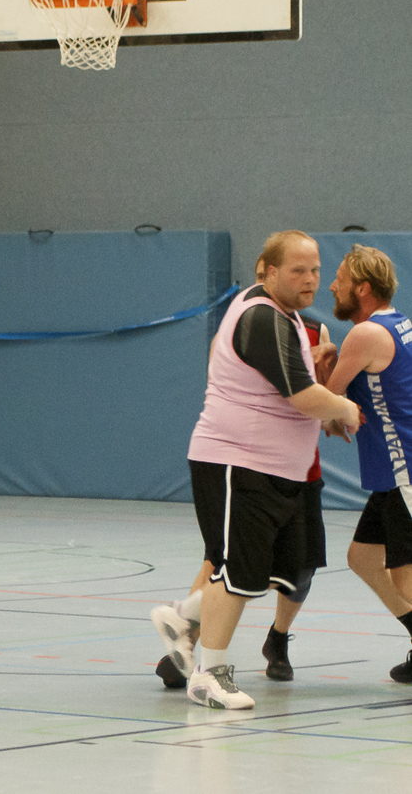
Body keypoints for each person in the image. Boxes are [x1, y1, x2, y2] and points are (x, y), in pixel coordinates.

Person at [150, 230, 360, 710]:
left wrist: (316, 363)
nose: (310, 281)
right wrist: (344, 409)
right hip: (235, 463)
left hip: (275, 470)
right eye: (297, 271)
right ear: (267, 270)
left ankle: (183, 619)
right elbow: (300, 396)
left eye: (315, 271)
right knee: (235, 572)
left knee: (260, 573)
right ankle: (210, 674)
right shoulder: (262, 316)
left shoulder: (281, 316)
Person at [321, 243, 412, 683]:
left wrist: (321, 365)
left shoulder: (365, 335)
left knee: (405, 578)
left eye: (338, 279)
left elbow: (328, 409)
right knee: (361, 558)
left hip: (404, 470)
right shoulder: (398, 323)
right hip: (391, 472)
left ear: (361, 288)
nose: (331, 286)